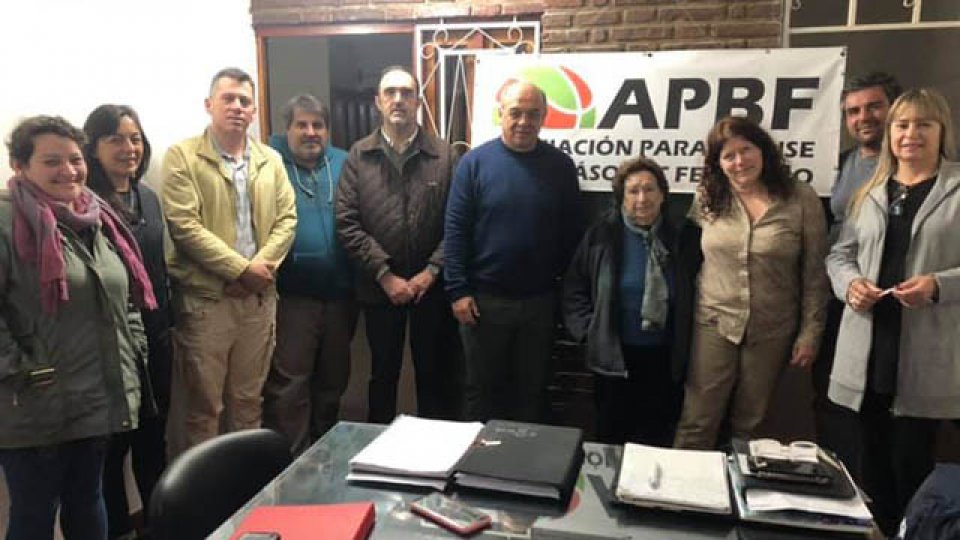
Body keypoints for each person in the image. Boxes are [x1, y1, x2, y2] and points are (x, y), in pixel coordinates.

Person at [0, 115, 156, 540]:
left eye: (74, 159)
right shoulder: (7, 222)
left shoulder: (95, 217)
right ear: (20, 165)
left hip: (95, 395)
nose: (68, 171)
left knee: (88, 502)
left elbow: (125, 297)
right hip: (34, 404)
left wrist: (134, 350)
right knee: (34, 514)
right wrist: (25, 371)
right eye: (51, 161)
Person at [826, 88, 960, 536]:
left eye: (923, 124)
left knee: (913, 469)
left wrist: (939, 285)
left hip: (924, 352)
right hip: (867, 350)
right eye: (902, 125)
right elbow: (839, 256)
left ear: (941, 132)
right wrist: (851, 286)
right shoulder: (870, 191)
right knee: (868, 468)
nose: (911, 134)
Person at [162, 67, 297, 456]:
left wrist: (258, 272)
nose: (237, 107)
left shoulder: (269, 159)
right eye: (228, 99)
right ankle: (204, 507)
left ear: (254, 110)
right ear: (209, 105)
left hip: (257, 301)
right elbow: (184, 225)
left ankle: (244, 497)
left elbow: (287, 219)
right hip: (208, 302)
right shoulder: (183, 156)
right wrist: (239, 270)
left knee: (248, 403)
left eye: (245, 101)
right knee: (204, 410)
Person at [673, 115, 828, 450]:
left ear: (764, 151)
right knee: (697, 419)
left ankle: (743, 496)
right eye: (728, 156)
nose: (739, 161)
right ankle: (681, 498)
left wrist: (810, 333)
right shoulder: (708, 197)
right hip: (714, 322)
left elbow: (815, 272)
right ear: (718, 163)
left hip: (772, 329)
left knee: (752, 423)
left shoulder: (800, 198)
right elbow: (688, 259)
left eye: (746, 150)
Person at [444, 80, 582, 423]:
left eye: (533, 114)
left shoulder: (561, 167)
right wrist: (457, 290)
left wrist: (561, 289)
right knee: (481, 391)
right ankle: (473, 468)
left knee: (531, 391)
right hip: (483, 303)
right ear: (499, 114)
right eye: (515, 113)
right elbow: (455, 231)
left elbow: (572, 233)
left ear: (545, 117)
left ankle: (521, 468)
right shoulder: (473, 164)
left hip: (539, 302)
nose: (523, 121)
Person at [335, 66, 461, 423]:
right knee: (381, 375)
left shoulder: (444, 155)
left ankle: (434, 456)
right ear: (378, 101)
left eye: (406, 92)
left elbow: (457, 224)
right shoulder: (359, 156)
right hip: (379, 289)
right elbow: (347, 223)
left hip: (430, 290)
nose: (398, 100)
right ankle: (377, 446)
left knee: (433, 374)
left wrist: (431, 271)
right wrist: (384, 274)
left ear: (418, 101)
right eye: (390, 92)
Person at [83, 104, 172, 539]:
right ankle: (117, 529)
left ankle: (155, 528)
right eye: (115, 139)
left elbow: (158, 269)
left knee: (154, 443)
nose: (128, 148)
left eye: (134, 138)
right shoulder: (83, 208)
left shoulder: (148, 197)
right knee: (111, 452)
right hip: (110, 345)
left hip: (155, 338)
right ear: (93, 147)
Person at [562, 156, 690, 446]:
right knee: (612, 436)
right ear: (621, 196)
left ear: (663, 194)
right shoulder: (601, 235)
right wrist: (588, 331)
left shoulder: (682, 238)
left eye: (649, 189)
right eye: (633, 191)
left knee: (657, 438)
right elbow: (574, 288)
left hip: (665, 359)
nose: (642, 198)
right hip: (614, 358)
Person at [815, 72, 901, 479]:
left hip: (900, 308)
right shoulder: (843, 164)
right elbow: (839, 240)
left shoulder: (917, 164)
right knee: (836, 404)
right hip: (843, 299)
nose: (863, 117)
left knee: (890, 418)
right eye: (853, 111)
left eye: (873, 107)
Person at [262, 94, 357, 454]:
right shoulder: (270, 163)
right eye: (301, 124)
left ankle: (324, 454)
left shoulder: (344, 162)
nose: (311, 132)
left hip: (341, 295)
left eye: (318, 125)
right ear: (286, 129)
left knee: (333, 381)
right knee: (290, 384)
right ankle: (293, 462)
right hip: (292, 295)